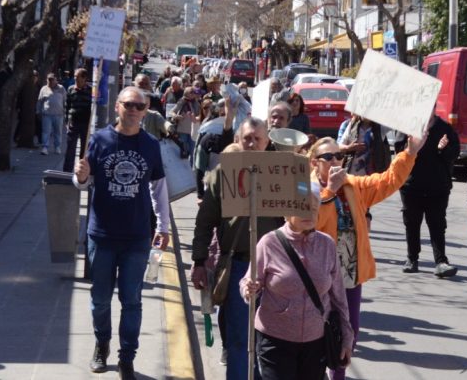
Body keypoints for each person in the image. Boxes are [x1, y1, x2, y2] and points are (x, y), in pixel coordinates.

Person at [73, 87, 170, 379]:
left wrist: (163, 226)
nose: (133, 110)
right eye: (128, 104)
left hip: (137, 237)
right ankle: (102, 344)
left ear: (146, 110)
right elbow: (83, 181)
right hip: (101, 235)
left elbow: (159, 187)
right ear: (117, 107)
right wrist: (79, 176)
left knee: (132, 300)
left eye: (139, 106)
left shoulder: (151, 144)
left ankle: (127, 357)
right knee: (100, 299)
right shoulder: (99, 139)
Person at [311, 133, 422, 380]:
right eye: (328, 157)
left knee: (348, 330)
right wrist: (330, 190)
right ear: (314, 162)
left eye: (339, 156)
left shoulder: (353, 185)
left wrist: (410, 153)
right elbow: (309, 221)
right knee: (316, 330)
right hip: (316, 273)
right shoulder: (306, 187)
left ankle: (337, 375)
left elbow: (387, 181)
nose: (335, 161)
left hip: (349, 273)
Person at [191, 117, 283, 380]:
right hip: (239, 267)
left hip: (276, 270)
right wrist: (199, 261)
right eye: (247, 139)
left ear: (267, 143)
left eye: (258, 139)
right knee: (239, 340)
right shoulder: (223, 174)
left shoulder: (282, 173)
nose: (252, 144)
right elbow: (205, 221)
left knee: (271, 343)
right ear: (238, 141)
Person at [241, 193, 353, 380]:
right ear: (286, 213)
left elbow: (339, 297)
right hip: (275, 340)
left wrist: (347, 337)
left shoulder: (327, 245)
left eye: (313, 208)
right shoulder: (269, 243)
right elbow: (249, 280)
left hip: (315, 341)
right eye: (302, 208)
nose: (308, 213)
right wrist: (249, 288)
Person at [400, 113, 461, 277]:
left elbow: (455, 154)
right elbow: (399, 153)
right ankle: (412, 259)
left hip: (438, 186)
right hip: (411, 185)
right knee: (412, 223)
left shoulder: (445, 128)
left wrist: (443, 149)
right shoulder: (409, 126)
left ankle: (441, 262)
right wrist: (410, 146)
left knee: (437, 225)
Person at [63, 67, 92, 173]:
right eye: (75, 76)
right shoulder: (70, 89)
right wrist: (67, 121)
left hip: (85, 124)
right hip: (73, 124)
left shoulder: (91, 91)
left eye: (77, 76)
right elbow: (67, 106)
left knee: (84, 150)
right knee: (70, 149)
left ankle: (81, 172)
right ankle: (66, 172)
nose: (75, 78)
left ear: (84, 78)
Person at [38, 73, 66, 157]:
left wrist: (66, 112)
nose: (50, 82)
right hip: (47, 114)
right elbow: (40, 101)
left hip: (59, 114)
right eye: (48, 80)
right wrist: (38, 111)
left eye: (52, 80)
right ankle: (45, 147)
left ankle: (57, 147)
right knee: (46, 132)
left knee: (58, 132)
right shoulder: (44, 89)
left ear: (55, 80)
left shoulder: (61, 88)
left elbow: (65, 100)